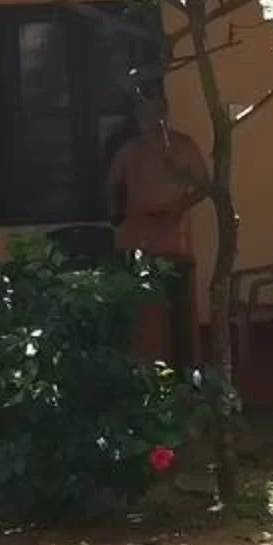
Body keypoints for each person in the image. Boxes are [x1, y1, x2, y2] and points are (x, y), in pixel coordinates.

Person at [105, 93, 207, 366]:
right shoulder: (128, 149)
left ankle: (184, 368)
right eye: (142, 115)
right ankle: (144, 365)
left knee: (177, 301)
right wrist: (116, 214)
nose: (148, 121)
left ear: (164, 114)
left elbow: (204, 186)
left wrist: (180, 207)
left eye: (154, 115)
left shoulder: (183, 147)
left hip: (173, 233)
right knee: (142, 303)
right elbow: (112, 183)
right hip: (137, 233)